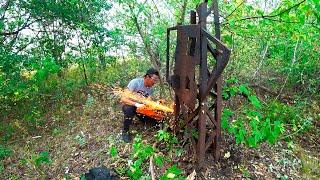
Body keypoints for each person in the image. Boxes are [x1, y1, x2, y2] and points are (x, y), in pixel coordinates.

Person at [120, 68, 160, 143]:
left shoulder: (151, 89)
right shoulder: (135, 82)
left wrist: (155, 105)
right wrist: (136, 104)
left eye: (156, 81)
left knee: (152, 119)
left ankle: (146, 120)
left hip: (140, 108)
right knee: (129, 110)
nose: (154, 83)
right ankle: (125, 131)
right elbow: (123, 99)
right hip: (130, 105)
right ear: (147, 77)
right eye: (154, 80)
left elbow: (148, 101)